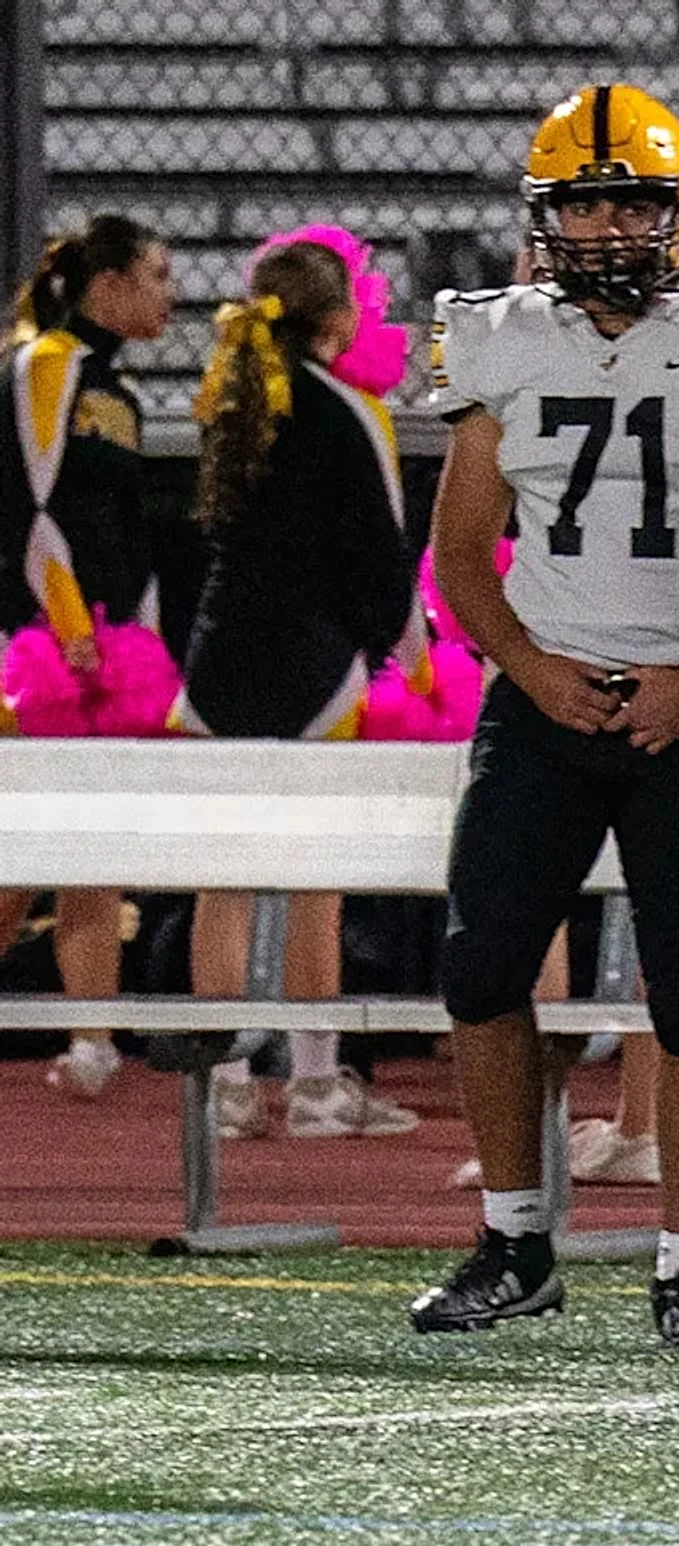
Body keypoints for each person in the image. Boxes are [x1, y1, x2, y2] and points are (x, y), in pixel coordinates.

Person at [407, 83, 679, 1350]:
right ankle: (513, 1239)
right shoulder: (497, 337)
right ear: (545, 217)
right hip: (542, 702)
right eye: (586, 203)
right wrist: (529, 664)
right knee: (480, 971)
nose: (608, 227)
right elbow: (461, 552)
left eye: (633, 201)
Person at [170, 236, 424, 1139]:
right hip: (316, 668)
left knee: (223, 883)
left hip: (218, 665)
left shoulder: (232, 401)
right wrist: (408, 658)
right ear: (339, 318)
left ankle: (227, 1086)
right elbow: (382, 559)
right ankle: (316, 1086)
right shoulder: (353, 410)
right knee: (317, 882)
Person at [0, 215, 177, 1101]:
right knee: (20, 851)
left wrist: (137, 637)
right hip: (40, 646)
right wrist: (67, 626)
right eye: (156, 274)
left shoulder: (118, 389)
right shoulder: (48, 364)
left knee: (89, 842)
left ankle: (93, 1039)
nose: (170, 293)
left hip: (104, 648)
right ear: (107, 284)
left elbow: (122, 530)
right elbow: (29, 507)